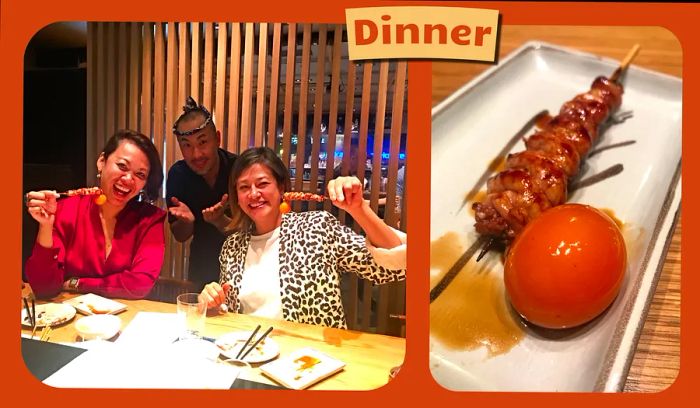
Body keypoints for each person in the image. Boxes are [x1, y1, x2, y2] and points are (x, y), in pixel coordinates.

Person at [200, 147, 406, 329]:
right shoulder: (232, 247)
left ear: (281, 188)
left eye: (262, 183)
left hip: (311, 362)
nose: (253, 194)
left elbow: (393, 265)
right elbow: (230, 311)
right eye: (244, 187)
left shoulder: (317, 228)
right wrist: (211, 303)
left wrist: (359, 208)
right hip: (251, 357)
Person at [24, 130, 166, 299]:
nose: (128, 179)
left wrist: (77, 284)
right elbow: (44, 288)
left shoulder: (150, 220)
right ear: (101, 162)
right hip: (74, 320)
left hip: (126, 319)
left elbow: (140, 284)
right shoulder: (66, 210)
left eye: (140, 174)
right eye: (122, 166)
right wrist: (46, 226)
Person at [167, 97, 237, 291]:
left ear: (218, 138)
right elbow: (180, 236)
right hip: (201, 266)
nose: (196, 154)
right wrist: (186, 223)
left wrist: (220, 221)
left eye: (203, 142)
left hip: (242, 264)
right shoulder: (178, 175)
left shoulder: (238, 169)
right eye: (187, 146)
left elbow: (254, 231)